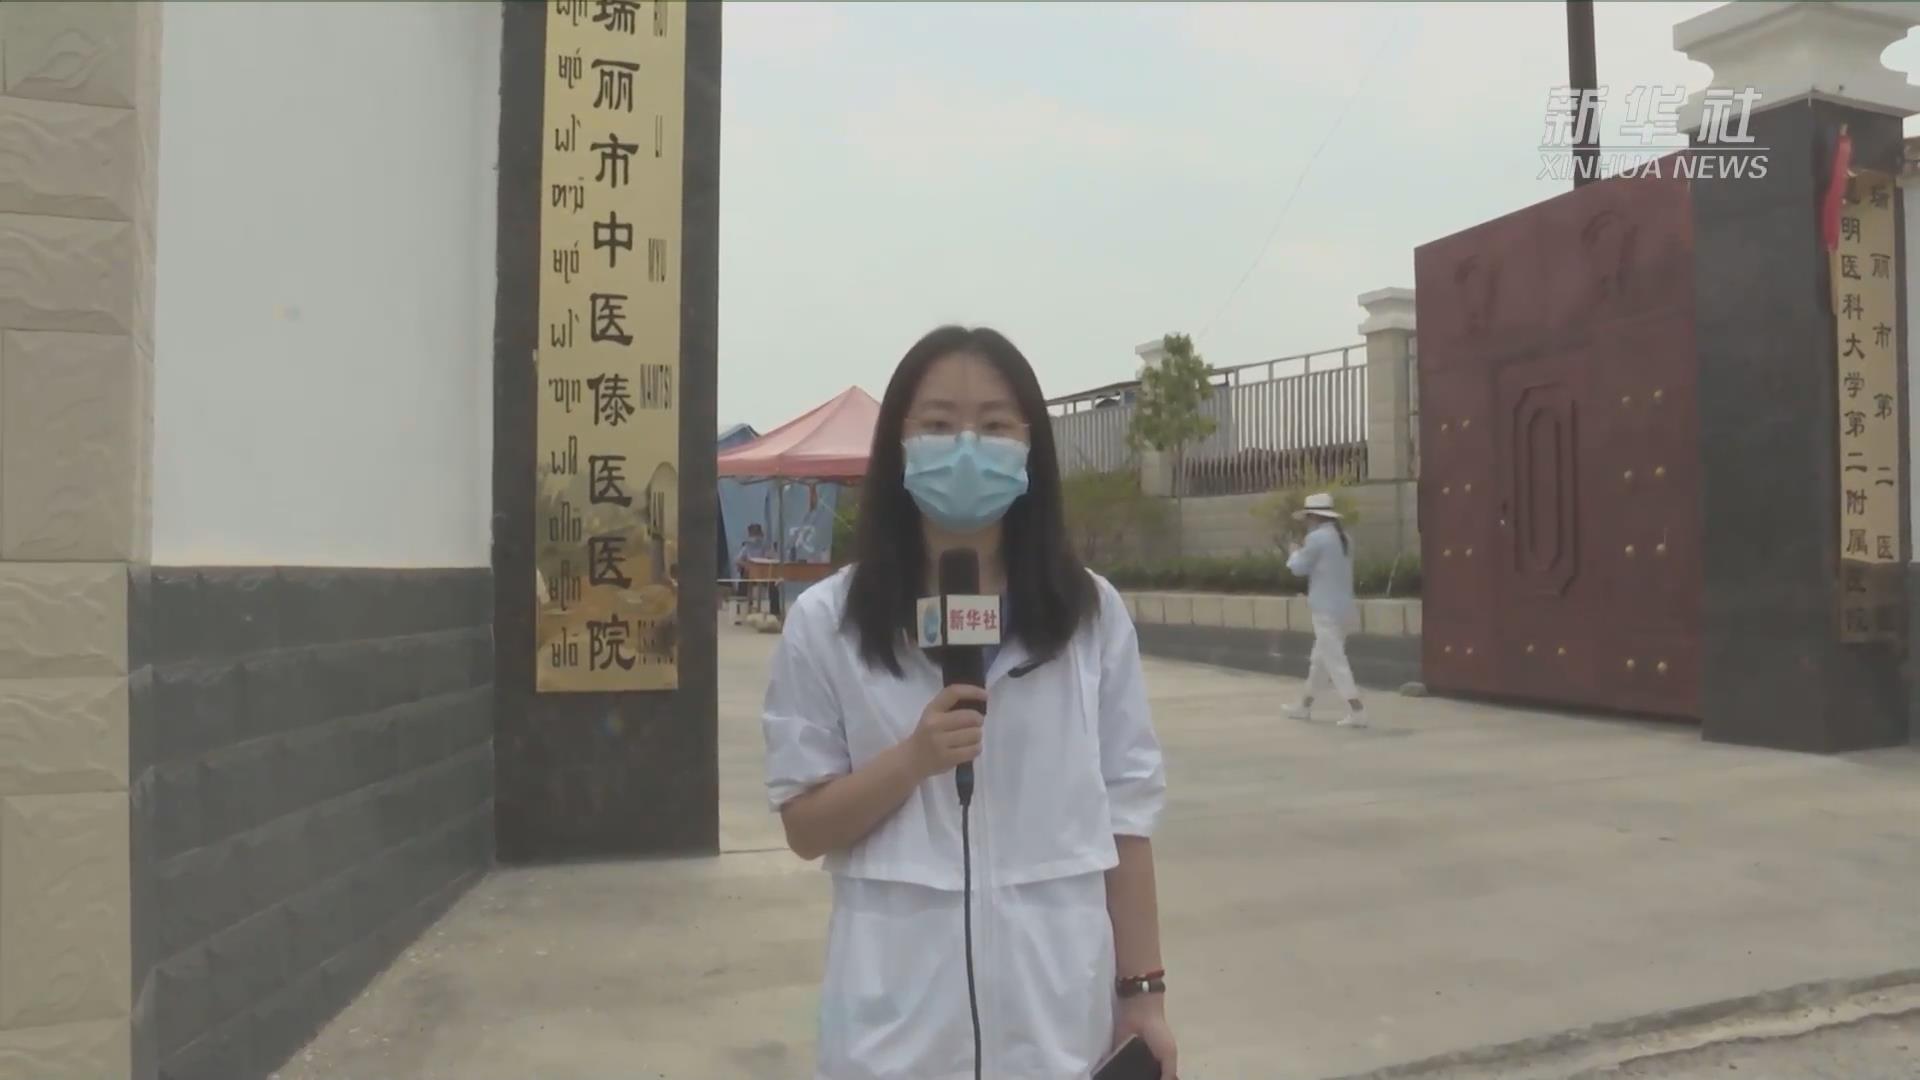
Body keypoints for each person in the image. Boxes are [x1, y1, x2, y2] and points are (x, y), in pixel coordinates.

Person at [760, 325, 1178, 1079]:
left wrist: (1144, 996)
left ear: (1030, 448)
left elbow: (1127, 815)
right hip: (896, 1028)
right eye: (938, 424)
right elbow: (805, 826)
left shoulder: (1091, 616)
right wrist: (912, 760)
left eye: (993, 427)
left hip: (1054, 1017)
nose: (965, 449)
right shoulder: (827, 622)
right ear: (899, 445)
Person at [1284, 492, 1366, 727]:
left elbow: (1299, 568)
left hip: (1325, 610)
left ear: (1314, 517)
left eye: (1308, 517)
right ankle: (1304, 706)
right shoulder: (1344, 538)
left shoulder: (1317, 538)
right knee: (1319, 662)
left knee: (1335, 661)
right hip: (1344, 609)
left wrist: (1293, 552)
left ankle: (1357, 710)